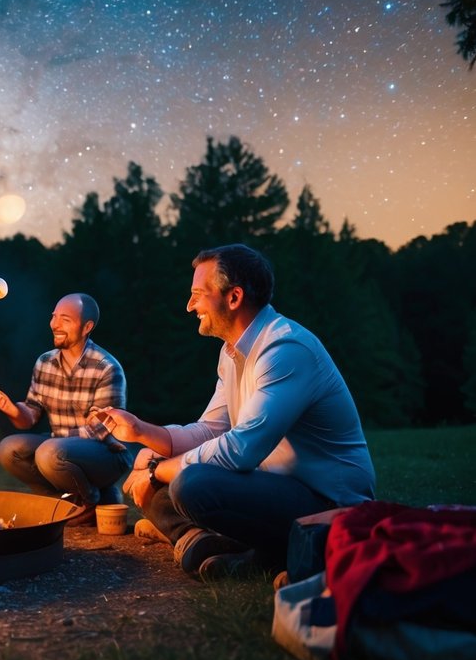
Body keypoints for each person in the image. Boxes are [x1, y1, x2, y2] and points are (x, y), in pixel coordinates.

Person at [91, 243, 376, 579]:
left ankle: (255, 553)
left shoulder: (284, 349)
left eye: (198, 294)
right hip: (273, 488)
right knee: (152, 462)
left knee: (191, 484)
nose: (189, 305)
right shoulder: (232, 352)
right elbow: (210, 430)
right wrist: (140, 432)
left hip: (328, 504)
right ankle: (198, 538)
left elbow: (240, 450)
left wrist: (157, 472)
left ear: (234, 297)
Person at [0, 293, 133, 525]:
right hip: (58, 448)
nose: (54, 324)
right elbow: (31, 414)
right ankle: (61, 503)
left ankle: (89, 501)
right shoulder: (45, 362)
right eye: (54, 317)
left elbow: (103, 429)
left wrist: (53, 445)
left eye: (65, 319)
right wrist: (14, 411)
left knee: (48, 452)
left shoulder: (106, 368)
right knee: (9, 450)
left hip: (107, 455)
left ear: (87, 326)